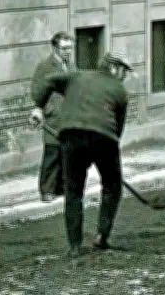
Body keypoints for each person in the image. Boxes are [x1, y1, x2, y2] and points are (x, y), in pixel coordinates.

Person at [31, 52, 134, 257]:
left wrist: (38, 107)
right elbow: (118, 129)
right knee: (113, 186)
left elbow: (47, 81)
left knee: (73, 191)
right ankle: (101, 237)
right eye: (123, 71)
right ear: (114, 68)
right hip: (104, 138)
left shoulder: (75, 76)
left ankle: (74, 246)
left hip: (70, 136)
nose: (124, 76)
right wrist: (110, 151)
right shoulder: (120, 91)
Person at [31, 31, 75, 202]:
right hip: (53, 118)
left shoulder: (70, 66)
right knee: (52, 154)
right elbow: (36, 91)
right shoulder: (45, 67)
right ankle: (47, 190)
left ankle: (61, 188)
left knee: (66, 154)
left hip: (68, 117)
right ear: (55, 48)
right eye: (64, 48)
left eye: (70, 48)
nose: (68, 51)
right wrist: (46, 109)